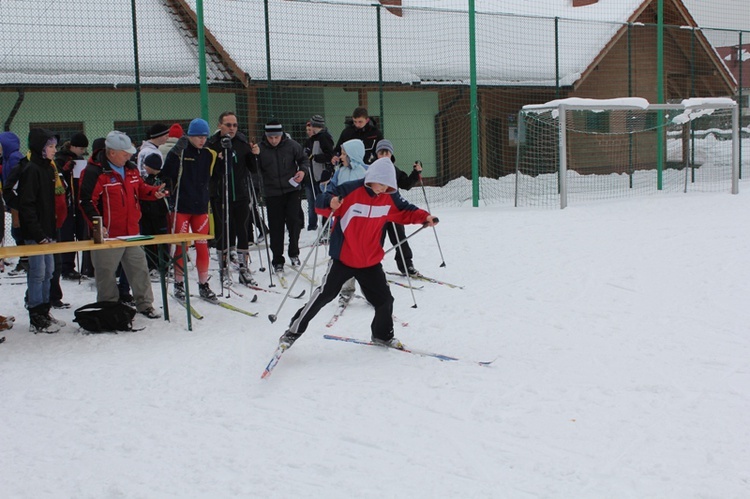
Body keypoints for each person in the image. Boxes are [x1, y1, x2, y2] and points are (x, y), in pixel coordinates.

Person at [278, 157, 439, 350]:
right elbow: (321, 203)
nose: (383, 190)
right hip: (344, 258)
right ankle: (292, 332)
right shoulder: (349, 190)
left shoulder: (389, 196)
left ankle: (382, 336)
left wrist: (425, 217)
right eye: (381, 184)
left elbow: (406, 210)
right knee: (324, 295)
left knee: (385, 300)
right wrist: (332, 202)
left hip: (370, 261)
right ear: (372, 177)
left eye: (388, 186)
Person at [79, 131, 168, 319]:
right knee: (106, 273)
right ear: (112, 153)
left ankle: (145, 304)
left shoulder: (131, 168)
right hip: (108, 234)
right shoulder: (95, 172)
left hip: (132, 232)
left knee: (139, 269)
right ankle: (109, 307)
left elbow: (141, 189)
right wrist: (98, 227)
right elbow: (86, 201)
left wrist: (154, 193)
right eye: (125, 153)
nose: (130, 155)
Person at [162, 118, 219, 301]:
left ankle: (203, 284)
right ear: (190, 136)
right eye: (198, 137)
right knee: (181, 247)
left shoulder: (209, 154)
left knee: (203, 247)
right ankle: (179, 283)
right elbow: (167, 173)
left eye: (204, 137)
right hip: (181, 207)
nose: (202, 140)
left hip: (201, 207)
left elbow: (216, 175)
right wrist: (173, 153)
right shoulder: (181, 152)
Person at [18, 129, 68, 333]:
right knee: (37, 273)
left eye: (55, 146)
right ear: (40, 148)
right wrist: (38, 234)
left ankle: (45, 309)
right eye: (50, 146)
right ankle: (36, 313)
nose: (54, 150)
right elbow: (27, 205)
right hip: (36, 235)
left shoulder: (48, 169)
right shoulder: (31, 170)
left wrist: (51, 230)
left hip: (48, 231)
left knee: (49, 272)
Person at [251, 121, 309, 274]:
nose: (274, 140)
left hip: (292, 191)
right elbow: (254, 169)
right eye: (271, 138)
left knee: (294, 222)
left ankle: (294, 252)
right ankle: (277, 260)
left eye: (276, 137)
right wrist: (255, 157)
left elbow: (304, 160)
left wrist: (302, 171)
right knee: (276, 227)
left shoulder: (292, 145)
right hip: (272, 193)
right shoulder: (260, 148)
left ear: (282, 134)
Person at [207, 111, 256, 285]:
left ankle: (244, 268)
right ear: (220, 125)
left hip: (240, 194)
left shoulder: (242, 143)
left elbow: (253, 169)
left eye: (235, 125)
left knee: (243, 230)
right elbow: (209, 172)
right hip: (220, 195)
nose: (232, 128)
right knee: (223, 232)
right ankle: (224, 269)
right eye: (228, 125)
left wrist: (254, 154)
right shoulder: (212, 144)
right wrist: (219, 160)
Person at [324, 139, 367, 302]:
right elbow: (331, 190)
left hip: (361, 222)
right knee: (345, 254)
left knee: (363, 256)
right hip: (343, 220)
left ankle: (372, 290)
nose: (341, 157)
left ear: (353, 154)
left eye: (343, 153)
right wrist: (327, 192)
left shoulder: (365, 172)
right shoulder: (339, 172)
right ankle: (347, 288)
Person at [374, 139, 423, 276]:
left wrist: (415, 173)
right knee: (377, 239)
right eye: (381, 153)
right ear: (376, 154)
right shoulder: (372, 169)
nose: (384, 156)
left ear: (391, 154)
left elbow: (406, 184)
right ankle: (373, 266)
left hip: (394, 210)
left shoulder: (394, 170)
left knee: (400, 238)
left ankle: (407, 265)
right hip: (378, 211)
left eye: (387, 153)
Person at [53, 132, 91, 281]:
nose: (82, 152)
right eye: (81, 149)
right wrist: (66, 170)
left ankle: (78, 266)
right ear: (73, 146)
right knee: (67, 234)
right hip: (67, 201)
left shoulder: (80, 160)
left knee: (79, 232)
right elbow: (57, 177)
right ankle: (66, 266)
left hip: (78, 201)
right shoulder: (60, 159)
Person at [0, 131, 29, 275]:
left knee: (18, 230)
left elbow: (16, 184)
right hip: (13, 201)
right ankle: (25, 260)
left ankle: (26, 261)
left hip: (18, 201)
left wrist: (15, 208)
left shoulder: (13, 159)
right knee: (16, 231)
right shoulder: (6, 158)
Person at [138, 153, 171, 278]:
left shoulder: (164, 179)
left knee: (162, 240)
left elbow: (168, 192)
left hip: (160, 214)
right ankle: (151, 265)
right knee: (149, 241)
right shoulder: (145, 179)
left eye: (146, 165)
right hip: (146, 215)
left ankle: (165, 265)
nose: (145, 167)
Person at [304, 114, 334, 231]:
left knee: (324, 200)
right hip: (314, 175)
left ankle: (327, 225)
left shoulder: (324, 137)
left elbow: (329, 155)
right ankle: (315, 225)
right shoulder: (313, 138)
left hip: (322, 175)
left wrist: (315, 157)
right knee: (314, 202)